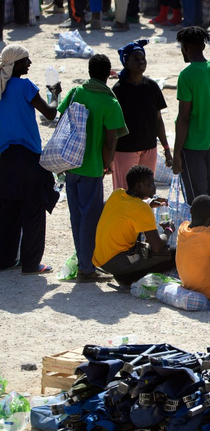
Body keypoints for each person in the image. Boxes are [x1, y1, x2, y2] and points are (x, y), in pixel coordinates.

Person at [60, 54, 127, 282]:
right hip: (91, 169)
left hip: (71, 165)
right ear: (109, 74)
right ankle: (87, 269)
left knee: (76, 217)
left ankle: (84, 263)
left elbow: (62, 121)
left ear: (89, 71)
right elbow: (110, 142)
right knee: (90, 219)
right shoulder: (110, 102)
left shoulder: (76, 92)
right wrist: (106, 165)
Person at [0, 45, 60, 274]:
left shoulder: (1, 87)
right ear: (16, 64)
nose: (30, 64)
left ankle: (5, 260)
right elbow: (50, 113)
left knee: (8, 212)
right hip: (29, 158)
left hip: (5, 158)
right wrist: (54, 94)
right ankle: (31, 263)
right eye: (26, 60)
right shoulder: (25, 86)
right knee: (34, 211)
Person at [171, 27, 210, 212]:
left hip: (192, 146)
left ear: (185, 47)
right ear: (204, 46)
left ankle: (200, 239)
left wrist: (176, 153)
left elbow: (184, 117)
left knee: (197, 202)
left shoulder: (187, 75)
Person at [93, 165, 174, 287]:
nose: (155, 187)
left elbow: (129, 209)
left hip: (102, 258)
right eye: (151, 184)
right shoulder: (142, 209)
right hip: (117, 261)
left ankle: (125, 274)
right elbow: (157, 246)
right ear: (138, 186)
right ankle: (129, 277)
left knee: (143, 244)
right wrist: (168, 230)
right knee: (173, 253)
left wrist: (149, 202)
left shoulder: (117, 194)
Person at [111, 40, 171, 191]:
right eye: (136, 59)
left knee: (146, 193)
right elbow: (112, 125)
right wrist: (109, 156)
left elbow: (158, 120)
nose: (141, 62)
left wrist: (166, 148)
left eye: (143, 58)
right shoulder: (118, 90)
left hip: (149, 148)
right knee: (124, 193)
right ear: (126, 63)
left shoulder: (152, 86)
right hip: (125, 150)